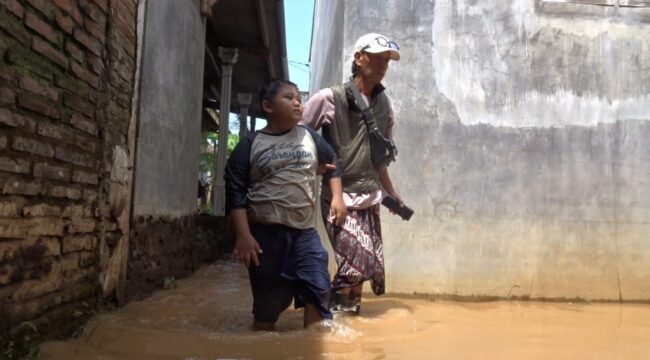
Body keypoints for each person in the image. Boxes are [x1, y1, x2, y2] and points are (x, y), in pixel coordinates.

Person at [225, 79, 347, 330]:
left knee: (318, 288)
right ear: (268, 106)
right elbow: (235, 193)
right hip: (264, 237)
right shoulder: (250, 144)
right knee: (268, 306)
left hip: (303, 233)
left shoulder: (309, 137)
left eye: (299, 100)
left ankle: (313, 343)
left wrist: (337, 197)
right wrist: (243, 236)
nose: (297, 103)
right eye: (289, 98)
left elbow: (332, 160)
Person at [301, 33, 403, 314]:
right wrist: (315, 165)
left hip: (370, 198)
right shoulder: (328, 98)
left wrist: (392, 195)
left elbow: (379, 159)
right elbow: (298, 138)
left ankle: (349, 326)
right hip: (338, 197)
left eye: (387, 60)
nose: (384, 64)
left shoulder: (386, 105)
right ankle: (321, 319)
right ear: (359, 58)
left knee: (364, 269)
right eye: (378, 57)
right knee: (353, 265)